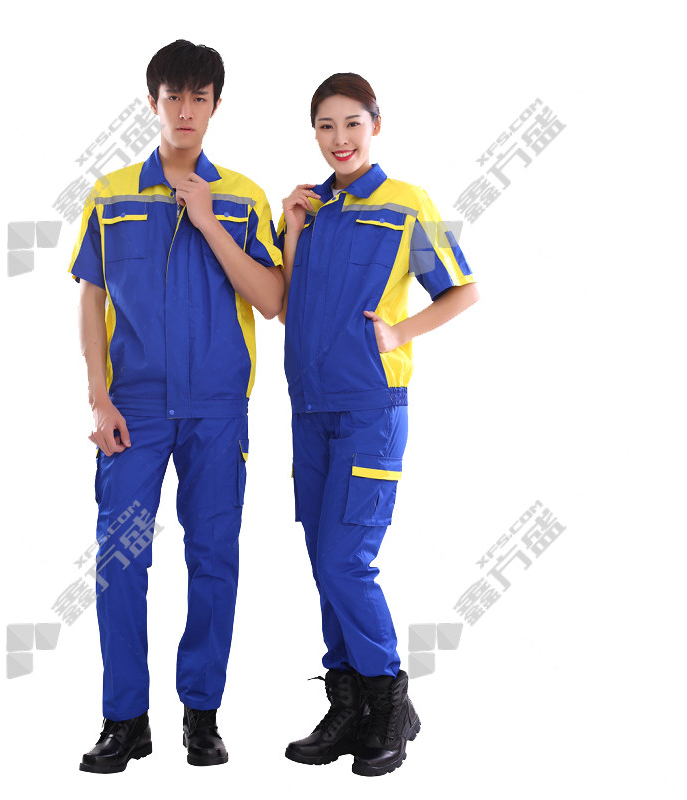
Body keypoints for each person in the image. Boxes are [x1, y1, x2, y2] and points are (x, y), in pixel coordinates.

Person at [67, 39, 284, 773]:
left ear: (216, 105)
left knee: (213, 556)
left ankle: (202, 714)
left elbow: (273, 299)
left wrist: (209, 219)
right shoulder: (111, 195)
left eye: (199, 97)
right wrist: (99, 398)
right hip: (134, 407)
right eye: (173, 97)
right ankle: (124, 720)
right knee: (120, 558)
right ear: (152, 103)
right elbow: (91, 296)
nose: (186, 110)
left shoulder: (244, 197)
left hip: (217, 407)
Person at [278, 73, 479, 777]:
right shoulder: (311, 209)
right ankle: (348, 705)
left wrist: (399, 332)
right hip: (309, 408)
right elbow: (287, 302)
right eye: (326, 126)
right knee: (323, 560)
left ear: (376, 125)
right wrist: (291, 228)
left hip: (370, 407)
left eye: (352, 124)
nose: (340, 139)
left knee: (346, 561)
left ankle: (389, 701)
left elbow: (462, 289)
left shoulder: (405, 204)